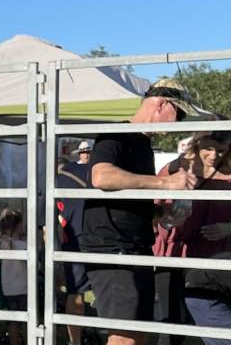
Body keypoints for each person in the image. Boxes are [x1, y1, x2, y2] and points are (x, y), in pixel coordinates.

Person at [82, 78, 209, 345]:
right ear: (162, 104)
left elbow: (128, 193)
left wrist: (158, 214)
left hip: (135, 247)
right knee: (124, 337)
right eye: (180, 114)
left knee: (138, 333)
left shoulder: (143, 144)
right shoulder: (115, 133)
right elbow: (101, 177)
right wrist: (164, 182)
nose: (178, 123)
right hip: (112, 248)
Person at [153, 129, 231, 343]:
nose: (214, 155)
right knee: (171, 317)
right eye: (208, 149)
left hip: (213, 255)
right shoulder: (177, 167)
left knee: (212, 313)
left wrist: (230, 227)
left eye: (221, 150)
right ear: (197, 144)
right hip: (175, 251)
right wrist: (167, 217)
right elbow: (153, 205)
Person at [56, 142, 93, 345]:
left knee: (76, 291)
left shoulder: (62, 176)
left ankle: (75, 340)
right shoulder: (102, 169)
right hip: (99, 235)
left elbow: (53, 212)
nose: (86, 155)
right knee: (106, 290)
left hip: (74, 238)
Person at [0, 208, 28, 345]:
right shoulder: (23, 246)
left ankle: (14, 342)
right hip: (23, 288)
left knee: (13, 319)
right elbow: (36, 266)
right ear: (18, 226)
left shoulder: (2, 244)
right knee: (27, 318)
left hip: (8, 288)